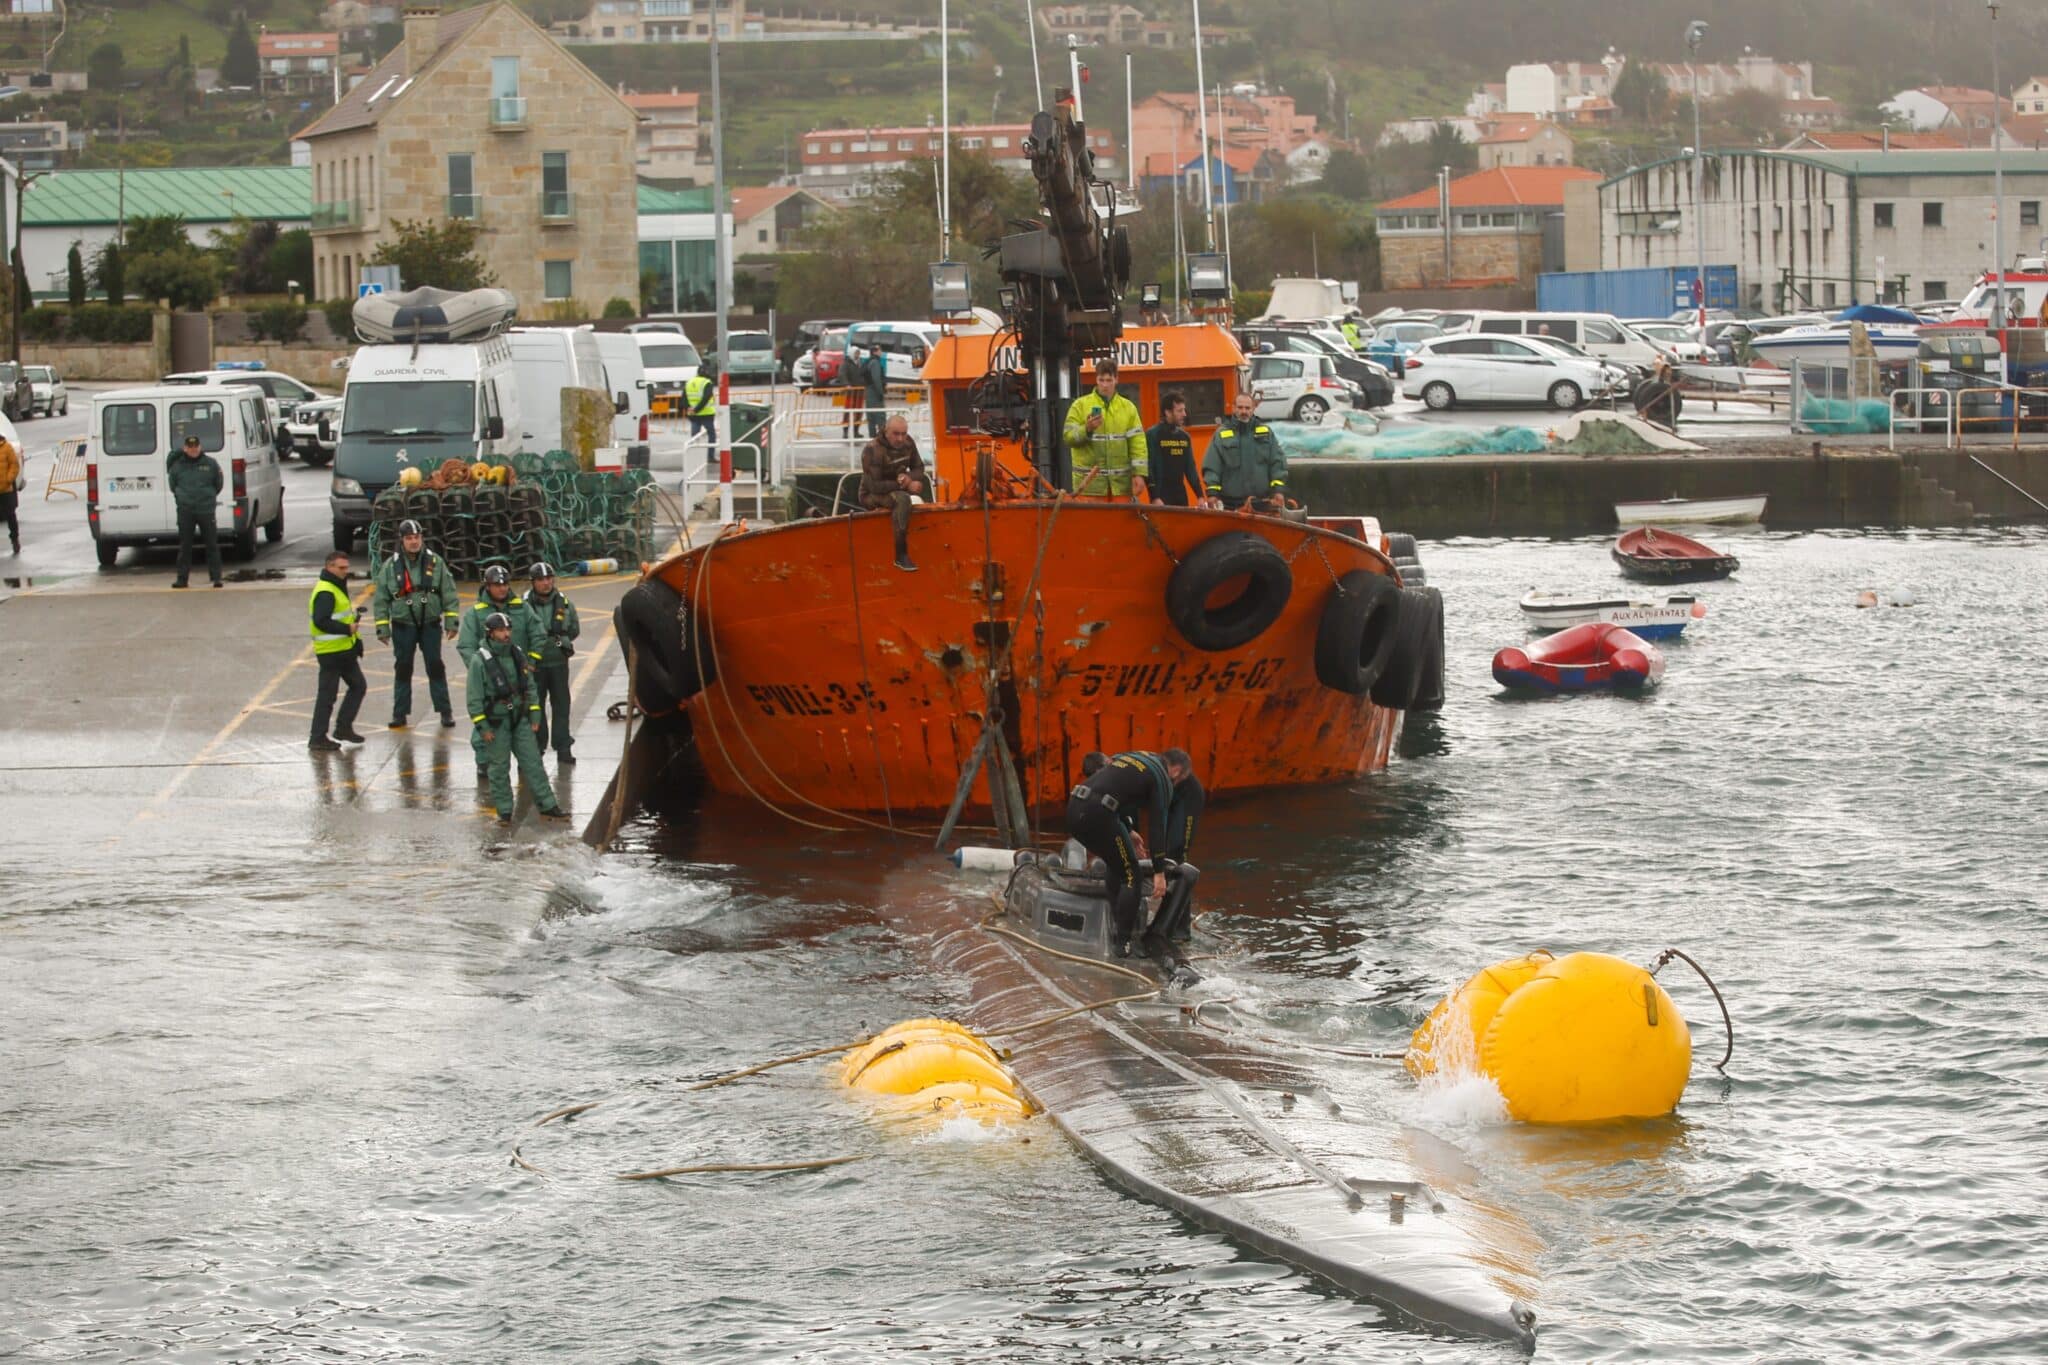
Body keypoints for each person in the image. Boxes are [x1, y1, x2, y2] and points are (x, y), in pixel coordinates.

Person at [1066, 748, 1205, 957]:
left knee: (1117, 864)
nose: (1174, 787)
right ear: (1175, 771)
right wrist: (1159, 872)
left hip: (1075, 809)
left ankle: (1116, 926)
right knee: (1132, 875)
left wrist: (1128, 831)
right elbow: (1158, 826)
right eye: (1178, 782)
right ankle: (1123, 944)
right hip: (1099, 816)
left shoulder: (1132, 757)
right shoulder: (1162, 779)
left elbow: (1115, 790)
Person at [465, 611, 568, 825]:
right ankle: (504, 811)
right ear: (491, 633)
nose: (506, 634)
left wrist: (535, 712)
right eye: (501, 630)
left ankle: (548, 805)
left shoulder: (517, 654)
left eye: (508, 629)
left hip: (519, 718)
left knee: (533, 763)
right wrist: (483, 727)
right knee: (499, 768)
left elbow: (529, 685)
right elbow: (474, 698)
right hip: (496, 723)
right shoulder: (479, 661)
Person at [371, 519, 459, 729]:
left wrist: (452, 622)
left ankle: (445, 712)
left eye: (417, 537)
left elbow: (449, 592)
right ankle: (400, 714)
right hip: (403, 626)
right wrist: (382, 628)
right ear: (401, 540)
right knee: (403, 668)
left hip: (430, 624)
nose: (413, 542)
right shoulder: (390, 567)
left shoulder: (435, 562)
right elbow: (381, 598)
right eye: (409, 538)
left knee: (435, 666)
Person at [459, 564, 530, 782]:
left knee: (519, 719)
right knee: (486, 719)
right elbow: (466, 646)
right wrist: (481, 668)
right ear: (487, 586)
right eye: (496, 585)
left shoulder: (521, 608)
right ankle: (483, 761)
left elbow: (536, 631)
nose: (502, 588)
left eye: (505, 584)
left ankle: (522, 760)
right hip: (490, 679)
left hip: (517, 675)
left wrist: (530, 663)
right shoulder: (475, 614)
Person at [1062, 357, 1149, 500]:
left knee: (1121, 523)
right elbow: (1068, 437)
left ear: (1116, 380)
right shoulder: (1080, 405)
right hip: (1089, 488)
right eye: (1101, 380)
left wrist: (1139, 474)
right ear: (1096, 380)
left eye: (1109, 380)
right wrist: (1087, 429)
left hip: (1121, 488)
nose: (1105, 385)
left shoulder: (1128, 408)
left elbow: (1138, 444)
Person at [307, 549, 367, 751]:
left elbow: (345, 617)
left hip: (343, 650)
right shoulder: (326, 591)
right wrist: (347, 629)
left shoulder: (335, 586)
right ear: (329, 567)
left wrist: (356, 642)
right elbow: (321, 621)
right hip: (331, 652)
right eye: (341, 568)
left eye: (347, 568)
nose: (345, 571)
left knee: (358, 686)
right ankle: (317, 737)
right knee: (327, 695)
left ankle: (343, 728)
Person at [522, 561, 580, 764]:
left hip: (558, 663)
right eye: (540, 580)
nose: (546, 583)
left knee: (561, 704)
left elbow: (573, 629)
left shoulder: (564, 604)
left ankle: (563, 746)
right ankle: (537, 748)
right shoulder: (523, 606)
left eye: (549, 578)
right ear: (533, 583)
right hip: (533, 665)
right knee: (534, 707)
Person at [859, 412, 929, 573]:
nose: (900, 438)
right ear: (886, 432)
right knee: (903, 499)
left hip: (896, 486)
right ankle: (901, 555)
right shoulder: (873, 449)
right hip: (870, 495)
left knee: (916, 493)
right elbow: (874, 486)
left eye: (903, 434)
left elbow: (919, 468)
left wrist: (910, 479)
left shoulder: (908, 443)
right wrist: (904, 485)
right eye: (896, 434)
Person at [1203, 391, 1289, 514]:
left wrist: (1278, 491)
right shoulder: (1221, 435)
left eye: (1247, 408)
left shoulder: (1266, 432)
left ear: (1253, 409)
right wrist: (1212, 493)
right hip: (1230, 506)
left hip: (1262, 504)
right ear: (1233, 408)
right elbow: (1212, 467)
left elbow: (1278, 463)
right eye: (1240, 407)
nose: (1244, 411)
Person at [166, 434, 223, 588]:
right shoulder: (177, 466)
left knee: (212, 544)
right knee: (185, 546)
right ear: (185, 448)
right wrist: (183, 498)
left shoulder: (211, 464)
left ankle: (216, 577)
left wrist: (208, 498)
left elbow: (218, 484)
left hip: (206, 510)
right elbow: (173, 486)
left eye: (195, 447)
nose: (193, 450)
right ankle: (182, 579)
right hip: (186, 511)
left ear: (200, 447)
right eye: (190, 447)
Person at [1145, 389, 1204, 507]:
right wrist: (1154, 497)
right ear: (1167, 412)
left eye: (1184, 410)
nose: (1184, 414)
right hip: (1161, 499)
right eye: (1180, 411)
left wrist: (1200, 496)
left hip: (1180, 497)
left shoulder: (1184, 437)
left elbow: (1190, 469)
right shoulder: (1153, 435)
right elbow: (1149, 468)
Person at [854, 343, 889, 440]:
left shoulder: (868, 362)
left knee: (871, 417)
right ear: (875, 351)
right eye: (879, 350)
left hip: (869, 391)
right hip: (874, 392)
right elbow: (876, 379)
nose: (881, 352)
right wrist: (880, 393)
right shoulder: (875, 363)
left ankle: (872, 438)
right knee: (880, 416)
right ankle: (882, 439)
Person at [683, 369, 716, 449]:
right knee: (711, 435)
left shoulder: (689, 382)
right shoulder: (707, 382)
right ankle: (710, 456)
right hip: (706, 414)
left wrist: (689, 408)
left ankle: (693, 455)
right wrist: (696, 409)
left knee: (694, 437)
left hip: (693, 415)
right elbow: (706, 398)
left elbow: (683, 398)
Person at [0, 430, 20, 554]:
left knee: (10, 515)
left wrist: (9, 479)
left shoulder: (6, 447)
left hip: (6, 489)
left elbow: (14, 465)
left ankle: (15, 539)